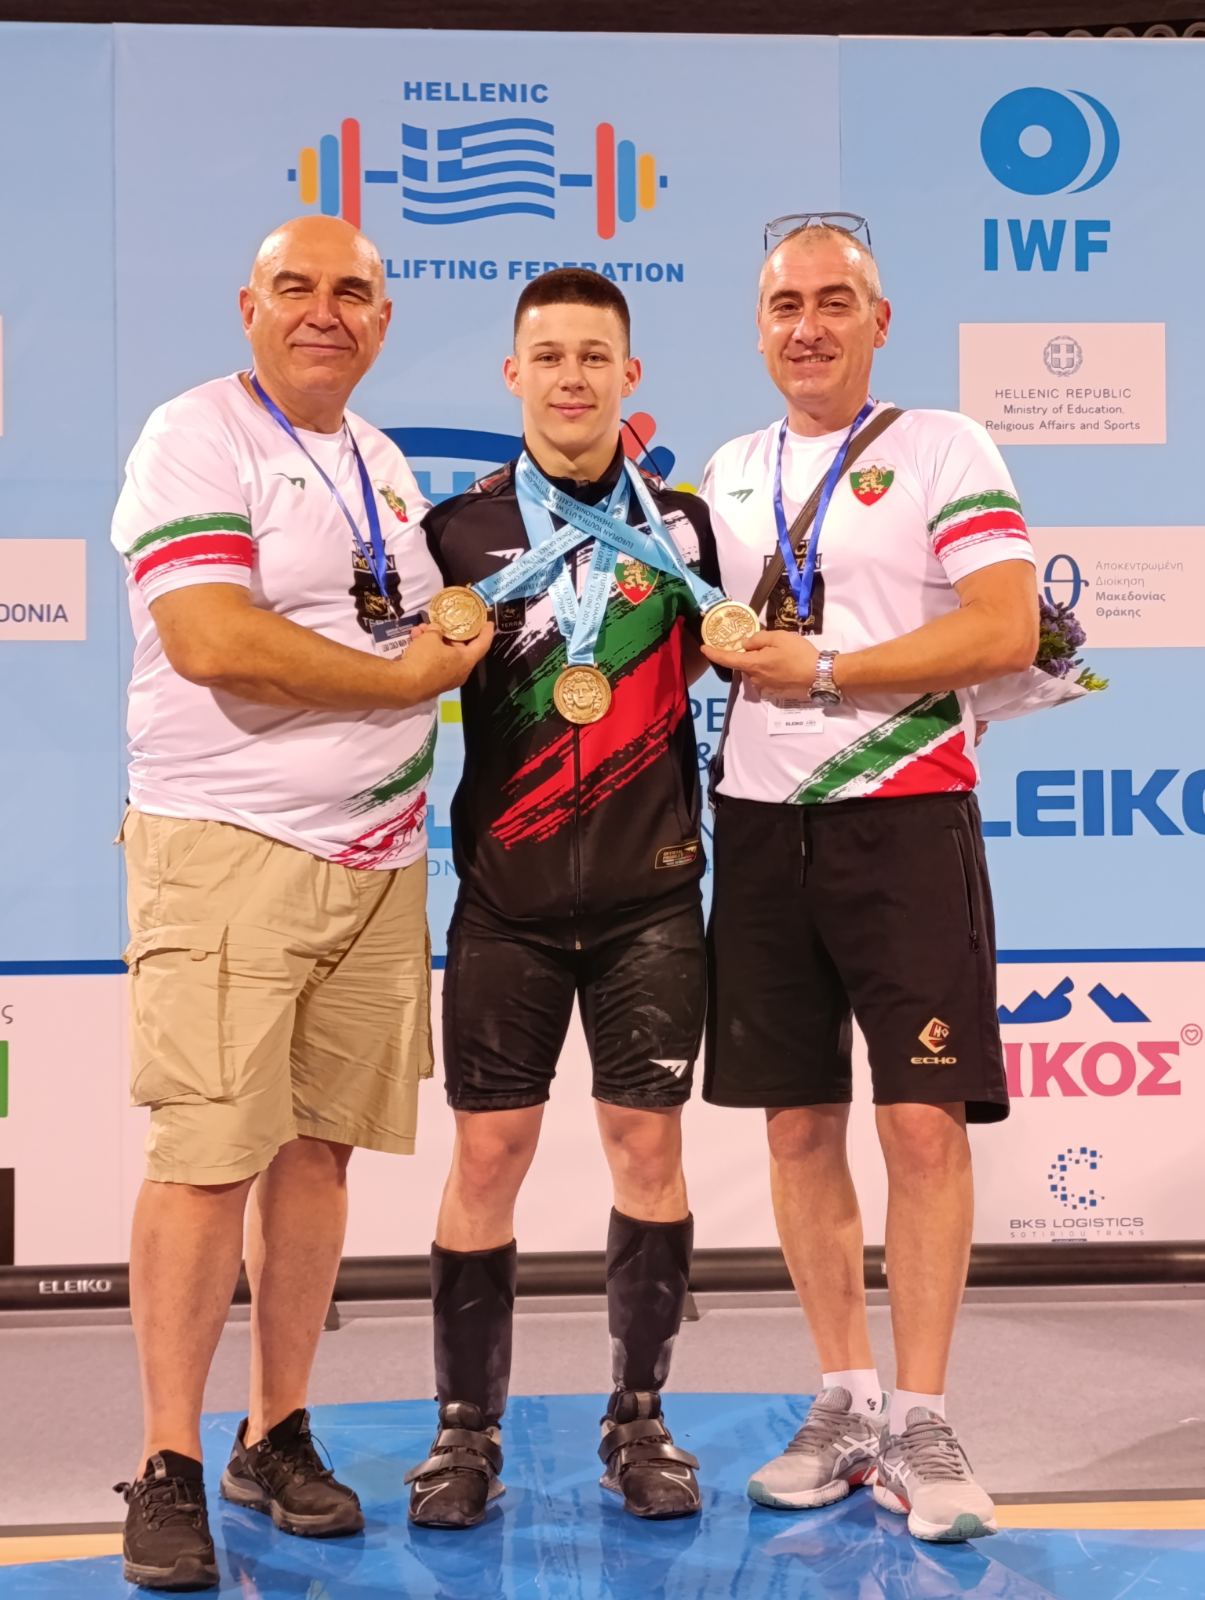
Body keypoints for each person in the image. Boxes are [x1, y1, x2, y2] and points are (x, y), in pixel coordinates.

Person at [110, 215, 491, 1592]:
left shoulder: (373, 457)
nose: (324, 311)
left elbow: (418, 615)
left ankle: (273, 1432)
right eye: (295, 287)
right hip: (231, 848)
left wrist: (455, 627)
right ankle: (166, 1458)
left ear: (382, 319)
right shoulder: (194, 435)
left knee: (318, 1155)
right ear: (249, 307)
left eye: (351, 292)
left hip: (374, 862)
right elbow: (211, 639)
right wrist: (403, 679)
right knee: (207, 1157)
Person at [699, 218, 1037, 1544]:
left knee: (920, 1126)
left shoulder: (943, 446)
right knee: (795, 1127)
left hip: (903, 821)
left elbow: (1003, 624)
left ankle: (924, 1415)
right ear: (758, 325)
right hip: (759, 825)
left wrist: (829, 668)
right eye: (785, 303)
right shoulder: (727, 473)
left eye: (834, 301)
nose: (808, 326)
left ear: (877, 321)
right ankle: (843, 1397)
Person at [407, 268, 719, 1529]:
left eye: (595, 356)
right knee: (488, 1153)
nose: (572, 377)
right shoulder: (457, 534)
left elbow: (758, 658)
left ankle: (637, 1415)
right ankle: (463, 1428)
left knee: (647, 1145)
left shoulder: (687, 529)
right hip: (505, 900)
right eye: (549, 356)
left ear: (628, 376)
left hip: (651, 899)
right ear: (513, 375)